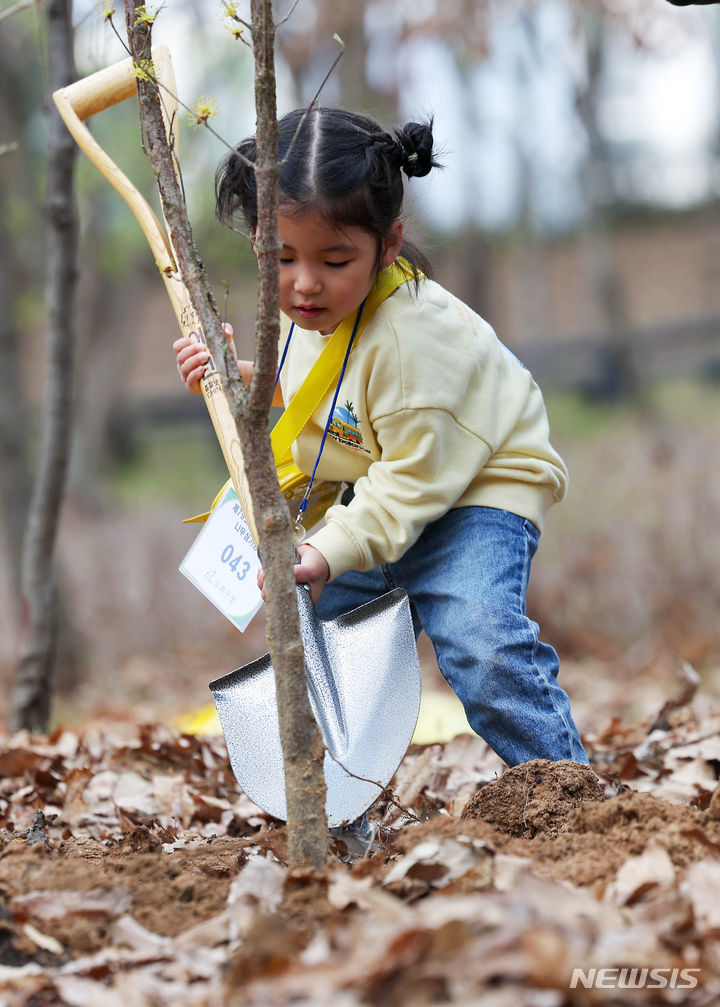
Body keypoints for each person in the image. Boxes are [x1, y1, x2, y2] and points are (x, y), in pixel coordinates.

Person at [174, 106, 588, 772]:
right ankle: (340, 817)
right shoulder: (320, 312)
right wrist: (236, 376)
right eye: (281, 257)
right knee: (334, 655)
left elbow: (411, 479)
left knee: (481, 643)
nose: (304, 283)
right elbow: (320, 390)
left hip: (473, 491)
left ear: (388, 244)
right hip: (386, 490)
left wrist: (326, 548)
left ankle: (569, 790)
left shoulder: (413, 340)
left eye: (334, 259)